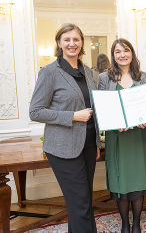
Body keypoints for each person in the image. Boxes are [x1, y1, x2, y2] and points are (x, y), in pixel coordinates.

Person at [29, 23, 101, 233]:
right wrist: (72, 116)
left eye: (76, 39)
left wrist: (95, 142)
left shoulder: (88, 72)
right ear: (59, 43)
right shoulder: (50, 72)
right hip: (62, 148)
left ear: (82, 43)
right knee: (80, 204)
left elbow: (93, 109)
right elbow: (35, 112)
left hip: (87, 144)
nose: (72, 43)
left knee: (83, 200)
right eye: (67, 39)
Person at [98, 38, 146, 233]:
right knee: (121, 182)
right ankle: (124, 224)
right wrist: (114, 125)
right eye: (118, 52)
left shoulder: (144, 77)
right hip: (118, 138)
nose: (122, 55)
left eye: (126, 50)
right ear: (113, 56)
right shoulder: (105, 78)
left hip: (138, 137)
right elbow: (102, 109)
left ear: (132, 53)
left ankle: (137, 223)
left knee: (138, 180)